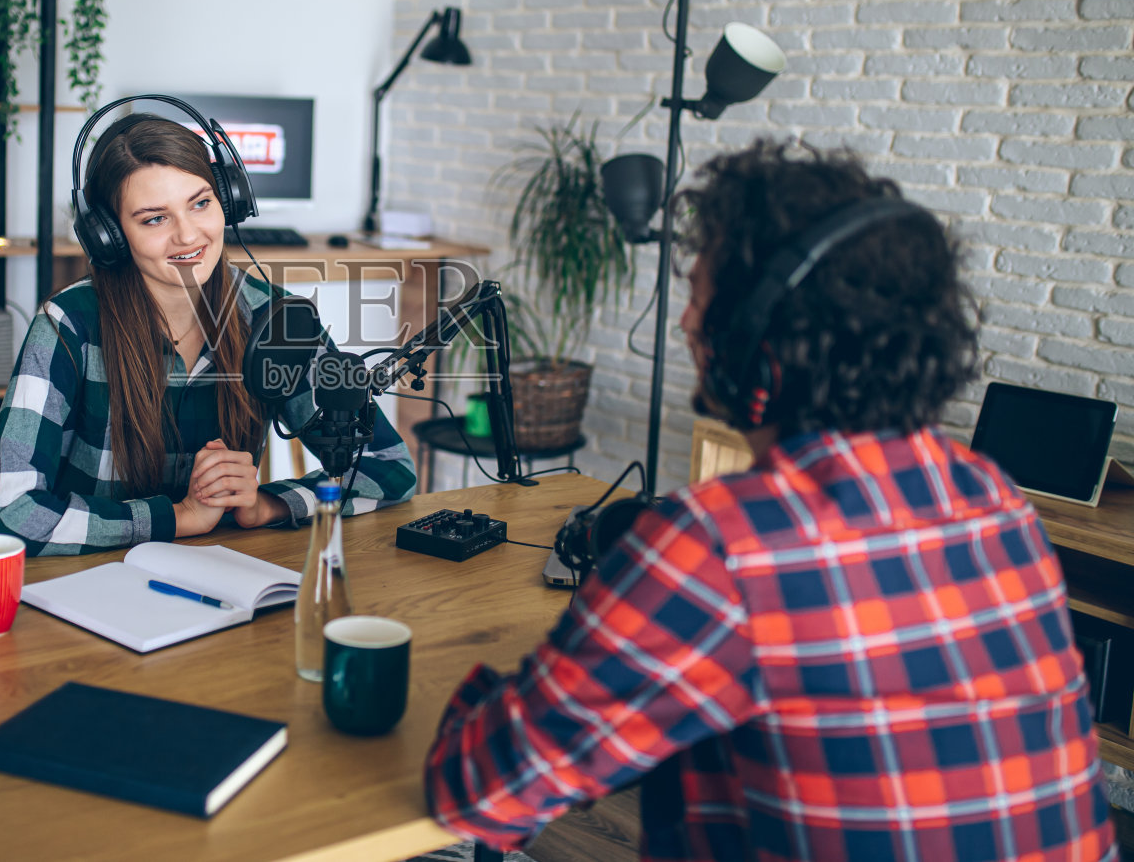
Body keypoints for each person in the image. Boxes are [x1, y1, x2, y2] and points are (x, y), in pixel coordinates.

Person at [425, 138, 1114, 860]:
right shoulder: (992, 498)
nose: (686, 322)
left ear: (758, 330)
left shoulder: (722, 545)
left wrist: (524, 681)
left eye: (697, 292)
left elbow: (480, 791)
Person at [0, 112, 417, 554]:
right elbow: (7, 515)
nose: (188, 236)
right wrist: (177, 517)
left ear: (229, 199)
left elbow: (388, 467)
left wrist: (269, 505)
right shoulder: (67, 325)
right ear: (108, 235)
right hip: (87, 585)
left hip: (226, 580)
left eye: (201, 203)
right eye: (154, 219)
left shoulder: (271, 316)